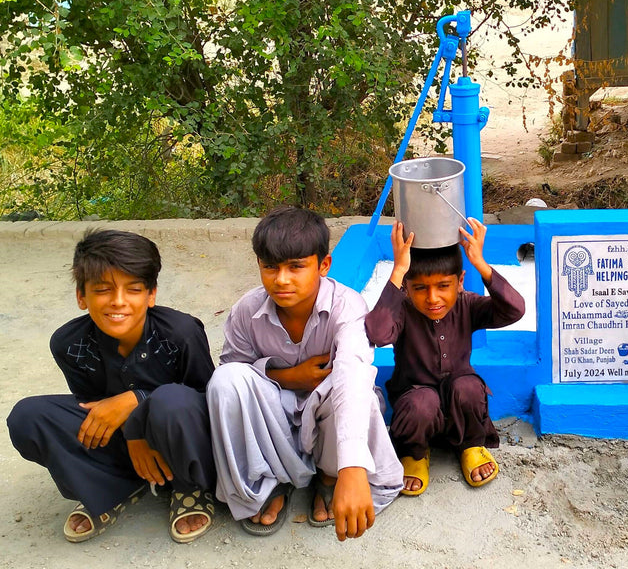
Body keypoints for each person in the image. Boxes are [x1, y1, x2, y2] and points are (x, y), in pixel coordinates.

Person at [7, 230, 217, 543]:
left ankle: (190, 488)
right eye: (103, 290)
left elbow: (207, 402)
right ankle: (112, 487)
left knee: (171, 402)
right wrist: (132, 436)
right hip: (123, 445)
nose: (118, 302)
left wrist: (138, 401)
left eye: (133, 290)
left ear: (151, 294)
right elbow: (95, 411)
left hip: (181, 436)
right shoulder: (70, 344)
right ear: (82, 296)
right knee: (28, 416)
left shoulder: (181, 334)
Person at [207, 207, 402, 539]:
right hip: (275, 418)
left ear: (323, 266)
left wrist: (352, 468)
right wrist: (290, 377)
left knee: (357, 394)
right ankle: (267, 482)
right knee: (224, 383)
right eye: (271, 267)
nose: (281, 279)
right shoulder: (246, 311)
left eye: (296, 267)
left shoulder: (348, 306)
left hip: (328, 417)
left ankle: (331, 475)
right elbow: (236, 375)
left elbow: (353, 374)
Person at [364, 218, 525, 496]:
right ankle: (414, 453)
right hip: (417, 411)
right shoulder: (402, 309)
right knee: (420, 401)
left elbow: (515, 310)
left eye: (443, 286)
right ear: (407, 288)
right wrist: (398, 270)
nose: (433, 298)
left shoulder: (468, 305)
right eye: (420, 288)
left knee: (468, 387)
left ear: (460, 282)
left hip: (461, 408)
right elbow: (378, 334)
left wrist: (482, 265)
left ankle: (471, 445)